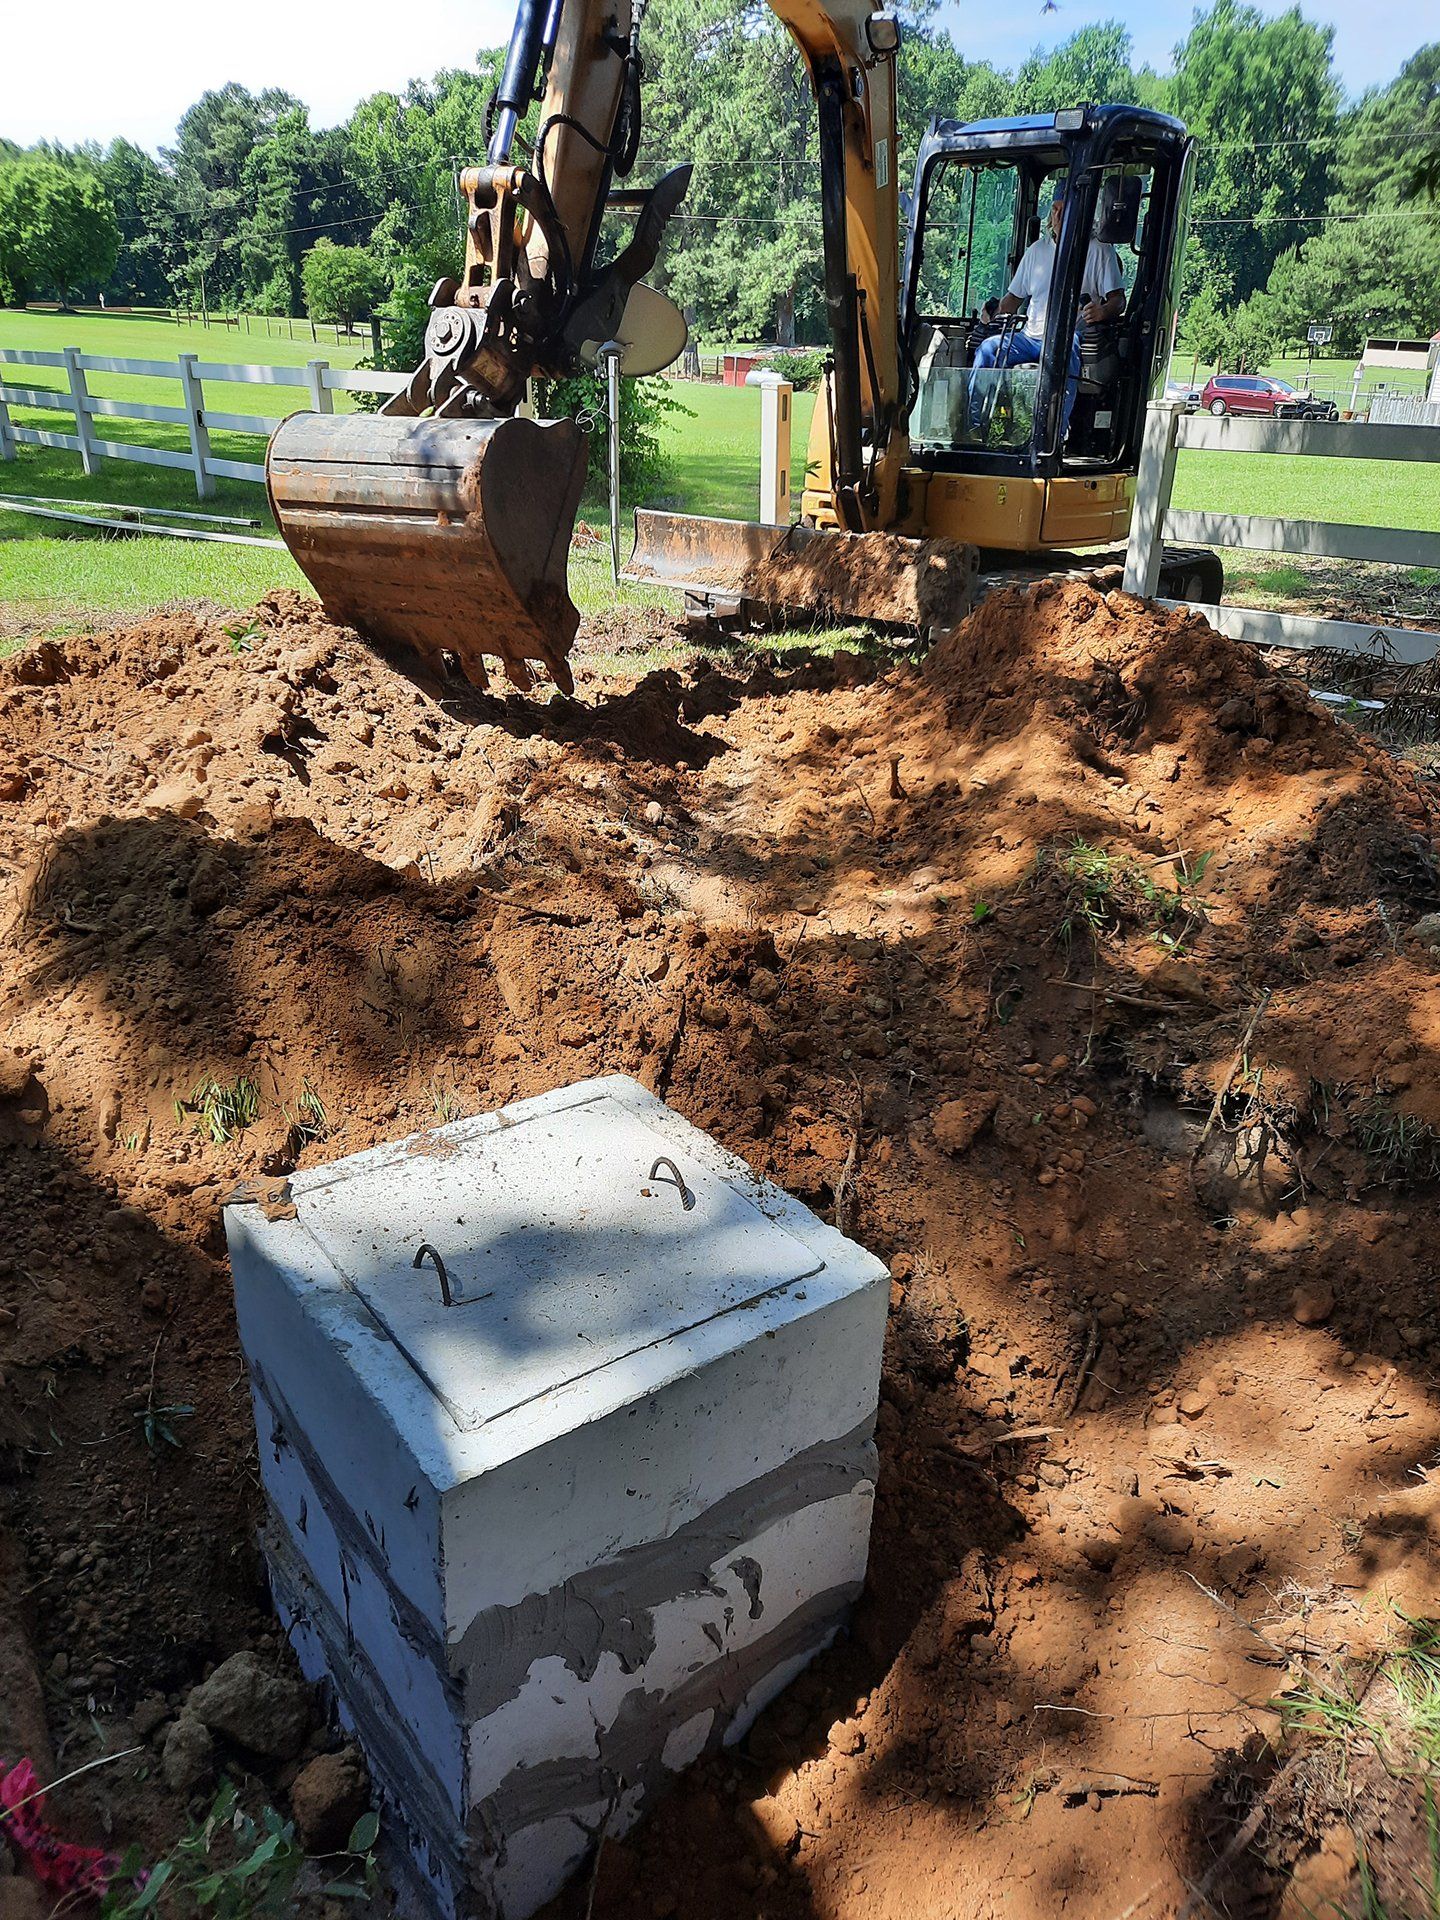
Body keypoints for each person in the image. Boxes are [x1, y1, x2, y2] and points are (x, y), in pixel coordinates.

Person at [969, 184, 1125, 439]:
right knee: (988, 348)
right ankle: (975, 427)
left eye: (1066, 211)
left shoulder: (1098, 250)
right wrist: (993, 312)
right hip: (1029, 337)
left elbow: (1118, 301)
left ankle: (1053, 434)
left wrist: (1102, 311)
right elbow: (1013, 298)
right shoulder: (1036, 251)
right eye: (1055, 210)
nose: (1058, 217)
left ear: (1081, 213)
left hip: (1067, 336)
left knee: (1067, 349)